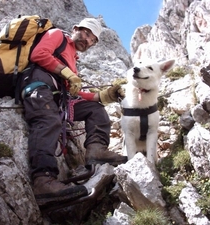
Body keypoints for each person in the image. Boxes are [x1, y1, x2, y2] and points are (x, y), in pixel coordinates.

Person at [21, 18, 127, 206]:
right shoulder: (57, 36)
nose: (87, 40)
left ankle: (96, 150)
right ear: (75, 29)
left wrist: (102, 97)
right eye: (86, 33)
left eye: (92, 40)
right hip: (38, 86)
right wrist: (67, 72)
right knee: (49, 121)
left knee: (96, 109)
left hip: (57, 98)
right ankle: (43, 182)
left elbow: (73, 94)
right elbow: (38, 54)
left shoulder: (73, 60)